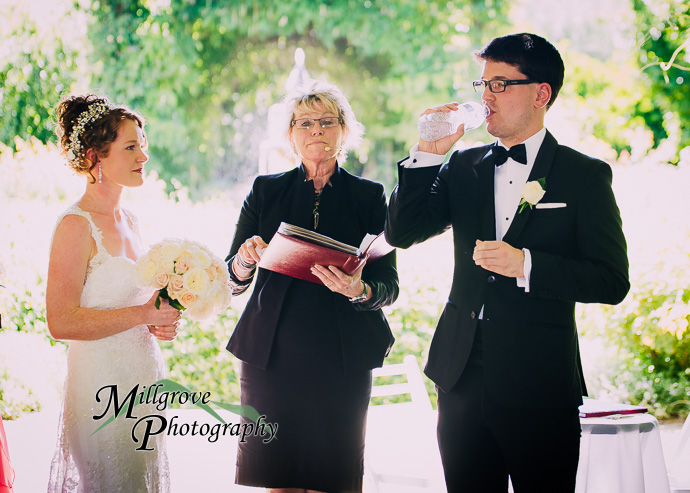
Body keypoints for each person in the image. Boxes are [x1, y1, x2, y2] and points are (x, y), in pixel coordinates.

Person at [385, 33, 630, 492]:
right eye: (483, 86)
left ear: (541, 93)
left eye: (500, 84)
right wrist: (426, 155)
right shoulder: (464, 166)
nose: (486, 97)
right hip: (458, 374)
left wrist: (528, 264)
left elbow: (612, 281)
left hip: (539, 380)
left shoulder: (584, 176)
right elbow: (402, 233)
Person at [226, 79, 399, 493]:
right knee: (278, 479)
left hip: (342, 359)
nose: (316, 130)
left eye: (326, 121)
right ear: (289, 134)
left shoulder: (370, 195)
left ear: (345, 129)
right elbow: (230, 278)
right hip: (271, 358)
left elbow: (388, 286)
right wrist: (245, 259)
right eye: (304, 123)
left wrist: (359, 290)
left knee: (331, 480)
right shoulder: (265, 190)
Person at [46, 94, 181, 492]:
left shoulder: (131, 220)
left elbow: (138, 303)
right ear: (94, 157)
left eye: (143, 144)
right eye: (130, 146)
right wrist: (143, 314)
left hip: (143, 377)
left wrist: (160, 322)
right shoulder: (75, 225)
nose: (144, 155)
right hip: (100, 385)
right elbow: (60, 321)